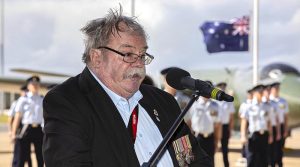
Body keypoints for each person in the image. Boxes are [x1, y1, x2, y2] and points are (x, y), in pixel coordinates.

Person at [42, 7, 212, 167]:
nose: (139, 63)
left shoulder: (163, 102)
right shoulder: (68, 102)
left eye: (142, 55)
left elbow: (192, 160)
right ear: (97, 57)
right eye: (128, 54)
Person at [11, 76, 44, 167]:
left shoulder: (42, 99)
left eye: (37, 84)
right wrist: (13, 133)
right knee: (22, 155)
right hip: (26, 129)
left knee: (40, 156)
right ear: (28, 86)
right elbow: (17, 117)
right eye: (33, 84)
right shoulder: (23, 100)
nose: (35, 86)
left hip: (38, 130)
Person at [188, 81, 222, 167]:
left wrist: (217, 142)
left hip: (210, 138)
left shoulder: (215, 106)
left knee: (211, 162)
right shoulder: (194, 105)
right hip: (197, 138)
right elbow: (189, 123)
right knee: (197, 163)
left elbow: (217, 125)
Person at [240, 84, 273, 167]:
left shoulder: (266, 106)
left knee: (264, 159)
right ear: (254, 93)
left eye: (262, 92)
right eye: (260, 92)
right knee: (251, 159)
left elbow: (269, 122)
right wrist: (243, 136)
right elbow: (244, 122)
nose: (261, 94)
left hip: (264, 135)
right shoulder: (249, 106)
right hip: (253, 136)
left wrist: (271, 135)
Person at [8, 84, 32, 167]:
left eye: (27, 91)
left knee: (27, 153)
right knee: (18, 153)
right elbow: (11, 118)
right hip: (19, 130)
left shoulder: (29, 101)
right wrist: (11, 131)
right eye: (24, 91)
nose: (26, 92)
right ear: (21, 92)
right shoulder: (16, 102)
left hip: (27, 130)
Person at [215, 82, 235, 167]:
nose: (222, 88)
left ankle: (226, 165)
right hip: (215, 127)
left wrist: (230, 129)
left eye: (224, 87)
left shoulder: (228, 102)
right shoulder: (213, 101)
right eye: (220, 87)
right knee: (213, 147)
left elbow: (231, 118)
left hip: (225, 127)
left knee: (225, 149)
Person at [269, 82, 289, 167]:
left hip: (280, 126)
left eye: (278, 88)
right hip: (270, 127)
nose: (277, 90)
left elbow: (286, 117)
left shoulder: (283, 101)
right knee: (271, 148)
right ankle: (272, 164)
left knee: (280, 148)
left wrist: (285, 129)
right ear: (271, 90)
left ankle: (279, 164)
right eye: (275, 88)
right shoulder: (268, 101)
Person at [262, 84, 281, 167]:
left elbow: (277, 120)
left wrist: (278, 132)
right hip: (263, 129)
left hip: (272, 128)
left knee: (273, 151)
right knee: (263, 151)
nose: (268, 92)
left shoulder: (274, 104)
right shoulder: (261, 104)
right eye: (267, 90)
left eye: (269, 90)